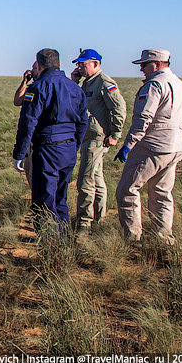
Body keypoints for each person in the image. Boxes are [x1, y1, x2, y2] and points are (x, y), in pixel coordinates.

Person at [114, 49, 182, 245]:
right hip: (174, 147)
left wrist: (128, 145)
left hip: (152, 147)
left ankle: (133, 240)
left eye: (144, 65)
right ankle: (163, 240)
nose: (141, 69)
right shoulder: (180, 84)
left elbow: (143, 119)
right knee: (162, 194)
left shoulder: (154, 84)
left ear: (156, 64)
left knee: (127, 190)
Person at [12, 48, 88, 233]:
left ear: (38, 65)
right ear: (59, 64)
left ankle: (50, 245)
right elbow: (83, 121)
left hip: (47, 149)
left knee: (44, 199)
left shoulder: (38, 87)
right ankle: (63, 240)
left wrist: (19, 154)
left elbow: (28, 123)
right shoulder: (75, 88)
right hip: (68, 149)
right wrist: (74, 145)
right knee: (60, 198)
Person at [69, 49, 126, 233]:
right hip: (87, 136)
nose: (80, 67)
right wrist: (74, 82)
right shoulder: (86, 83)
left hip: (97, 138)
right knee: (97, 179)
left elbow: (119, 107)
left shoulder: (104, 82)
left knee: (85, 181)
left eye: (83, 64)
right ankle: (98, 220)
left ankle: (84, 224)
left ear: (95, 63)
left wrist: (115, 134)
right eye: (78, 64)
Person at [12, 61, 42, 185]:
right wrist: (24, 81)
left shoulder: (43, 88)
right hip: (31, 137)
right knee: (30, 172)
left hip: (42, 137)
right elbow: (17, 101)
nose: (32, 71)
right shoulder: (31, 88)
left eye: (35, 68)